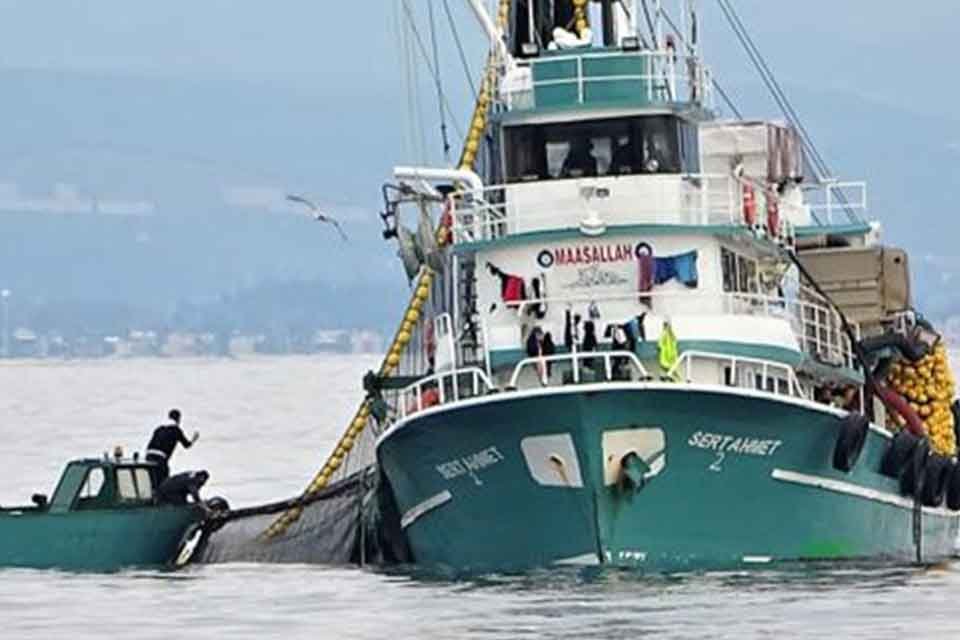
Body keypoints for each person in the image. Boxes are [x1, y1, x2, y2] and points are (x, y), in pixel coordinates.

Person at [145, 409, 199, 484]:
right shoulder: (176, 430)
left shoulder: (159, 428)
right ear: (178, 419)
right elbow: (187, 445)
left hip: (148, 455)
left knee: (151, 478)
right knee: (163, 480)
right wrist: (194, 439)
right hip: (160, 458)